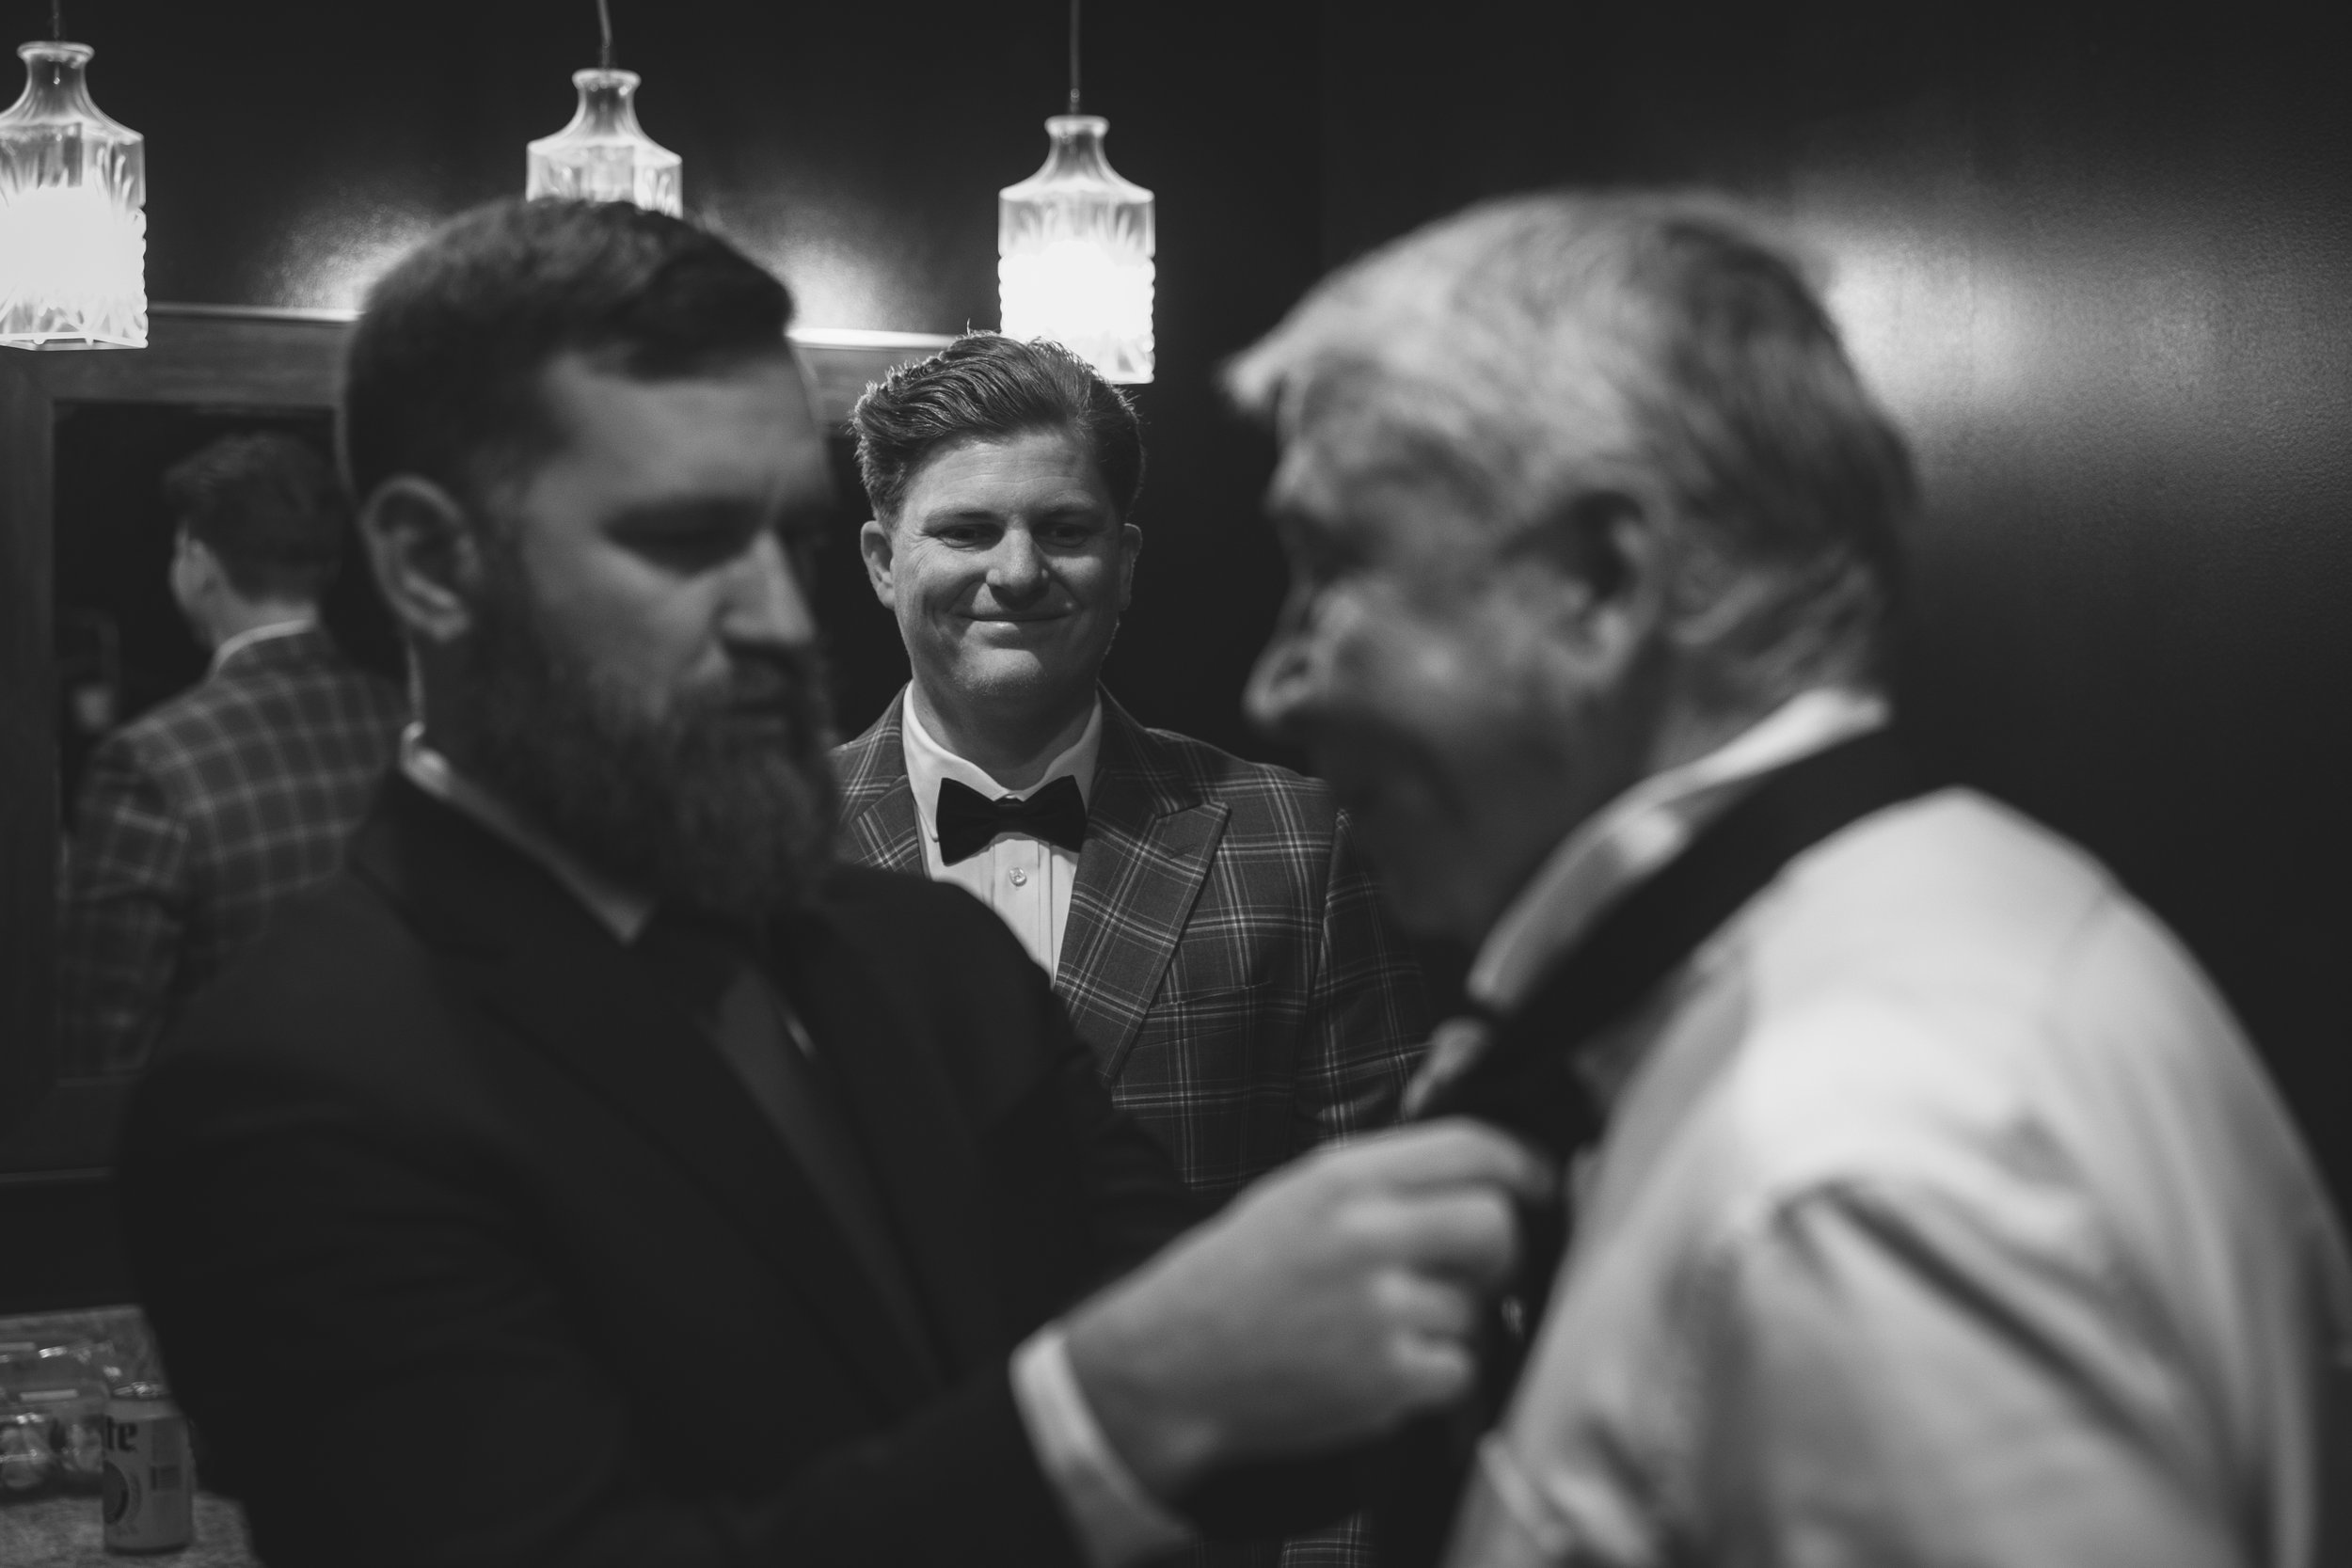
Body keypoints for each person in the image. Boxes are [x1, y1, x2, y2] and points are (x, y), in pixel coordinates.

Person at [116, 198, 1549, 1568]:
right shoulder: (292, 1082)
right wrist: (1108, 1406)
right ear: (433, 563)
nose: (775, 615)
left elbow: (1288, 1377)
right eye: (685, 539)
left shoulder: (923, 951)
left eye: (784, 539)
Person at [1224, 191, 2352, 1567]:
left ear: (1600, 581)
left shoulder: (1856, 1158)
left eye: (1332, 564)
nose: (1277, 681)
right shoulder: (1971, 910)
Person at [840, 333, 1427, 1218]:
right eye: (968, 531)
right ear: (884, 563)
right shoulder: (763, 848)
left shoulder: (1300, 844)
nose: (1018, 571)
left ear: (1126, 564)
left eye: (1064, 530)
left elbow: (1383, 1217)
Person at [56, 431, 406, 1075]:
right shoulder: (406, 721)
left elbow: (102, 1050)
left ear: (199, 562)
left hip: (229, 1128)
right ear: (328, 568)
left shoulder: (149, 763)